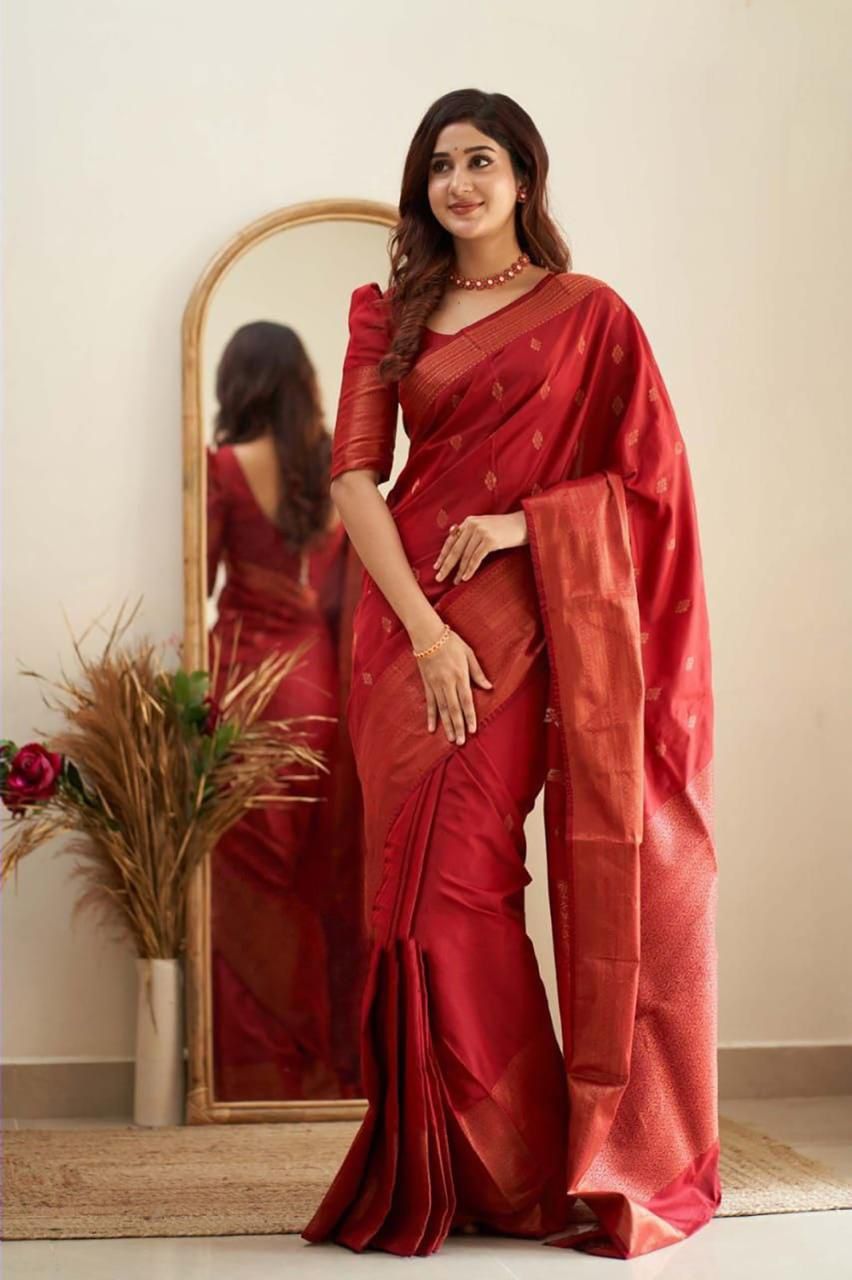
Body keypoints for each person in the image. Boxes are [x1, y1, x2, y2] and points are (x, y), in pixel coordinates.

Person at [301, 88, 719, 1258]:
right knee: (408, 891)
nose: (459, 184)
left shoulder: (592, 316)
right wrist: (425, 632)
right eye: (440, 166)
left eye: (480, 161)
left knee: (465, 884)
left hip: (522, 626)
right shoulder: (388, 312)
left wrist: (524, 524)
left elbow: (650, 486)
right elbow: (353, 480)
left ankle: (526, 1161)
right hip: (403, 628)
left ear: (524, 176)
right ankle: (460, 1163)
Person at [207, 321, 365, 1102]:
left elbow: (194, 578)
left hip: (244, 688)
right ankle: (325, 1062)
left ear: (238, 386)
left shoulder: (223, 468)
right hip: (321, 692)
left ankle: (259, 1073)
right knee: (316, 878)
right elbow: (348, 602)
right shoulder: (337, 474)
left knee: (246, 885)